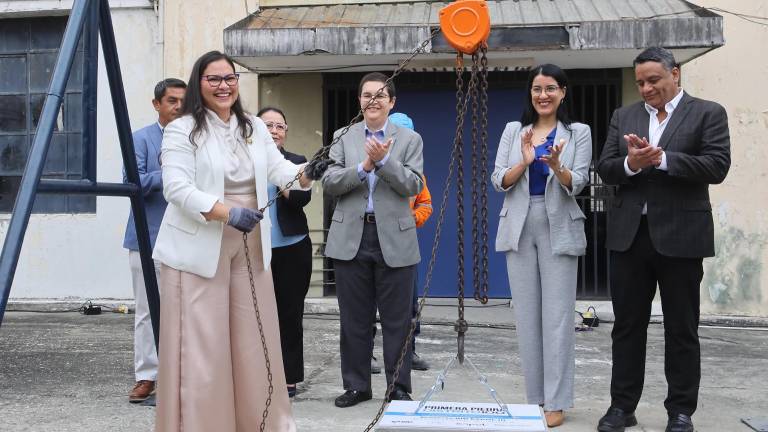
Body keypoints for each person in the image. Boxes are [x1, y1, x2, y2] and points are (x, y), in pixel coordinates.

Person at [151, 50, 330, 432]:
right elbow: (176, 188)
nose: (223, 86)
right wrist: (226, 211)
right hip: (199, 245)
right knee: (204, 346)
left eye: (229, 78)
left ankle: (261, 423)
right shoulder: (182, 129)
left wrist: (306, 172)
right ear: (199, 84)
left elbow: (279, 169)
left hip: (250, 245)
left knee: (254, 340)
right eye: (213, 79)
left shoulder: (252, 126)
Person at [595, 47, 730, 432]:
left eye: (653, 79)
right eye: (640, 82)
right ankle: (622, 407)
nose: (646, 88)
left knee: (681, 328)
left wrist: (663, 159)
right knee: (627, 327)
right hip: (629, 238)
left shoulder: (708, 113)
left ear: (675, 74)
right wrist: (629, 164)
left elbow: (717, 165)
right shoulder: (624, 116)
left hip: (681, 238)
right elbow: (606, 168)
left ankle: (681, 411)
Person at [490, 64, 592, 428]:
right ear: (530, 93)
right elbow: (499, 179)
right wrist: (527, 160)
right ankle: (535, 398)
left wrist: (556, 165)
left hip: (558, 224)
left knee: (559, 317)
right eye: (537, 88)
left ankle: (557, 400)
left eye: (551, 88)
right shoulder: (514, 130)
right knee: (527, 317)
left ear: (563, 92)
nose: (543, 95)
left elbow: (577, 182)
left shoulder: (578, 132)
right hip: (518, 224)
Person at [322, 73, 424, 408]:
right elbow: (331, 182)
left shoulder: (409, 139)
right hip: (351, 235)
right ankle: (356, 385)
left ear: (392, 102)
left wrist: (383, 161)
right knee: (354, 319)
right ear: (360, 101)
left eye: (381, 95)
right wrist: (364, 166)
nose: (373, 100)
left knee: (398, 319)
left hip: (394, 237)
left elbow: (412, 185)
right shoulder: (343, 137)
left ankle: (398, 386)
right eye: (367, 95)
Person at [123, 77, 186, 403]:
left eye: (182, 101)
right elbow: (132, 181)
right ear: (157, 104)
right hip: (147, 236)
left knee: (187, 310)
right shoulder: (141, 139)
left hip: (187, 238)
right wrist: (171, 173)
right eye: (172, 101)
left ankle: (181, 376)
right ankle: (147, 376)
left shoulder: (195, 139)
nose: (178, 107)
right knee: (148, 311)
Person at [257, 106, 313, 399]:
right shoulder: (246, 160)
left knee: (289, 314)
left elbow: (301, 199)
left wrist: (277, 167)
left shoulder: (296, 162)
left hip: (292, 249)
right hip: (255, 249)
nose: (275, 131)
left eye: (280, 126)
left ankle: (289, 376)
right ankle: (258, 373)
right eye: (268, 125)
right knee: (255, 315)